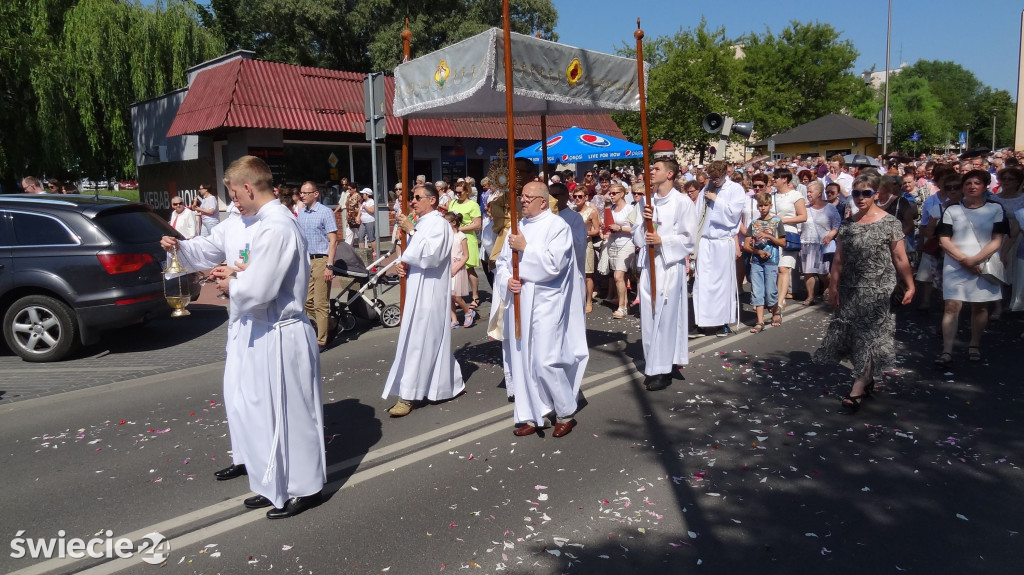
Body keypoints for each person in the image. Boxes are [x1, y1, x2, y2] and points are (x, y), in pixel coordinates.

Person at [160, 155, 326, 519]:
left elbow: (261, 287)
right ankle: (274, 483)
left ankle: (306, 486)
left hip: (281, 330)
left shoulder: (277, 226)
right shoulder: (262, 221)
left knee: (292, 415)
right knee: (264, 412)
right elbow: (253, 274)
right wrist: (227, 273)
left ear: (247, 188)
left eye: (234, 192)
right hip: (263, 328)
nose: (233, 199)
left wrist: (230, 282)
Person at [814, 170, 915, 414]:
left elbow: (900, 257)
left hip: (880, 289)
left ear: (876, 194)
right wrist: (833, 287)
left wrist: (910, 284)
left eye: (866, 193)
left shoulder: (890, 222)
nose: (860, 198)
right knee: (856, 337)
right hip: (851, 288)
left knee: (870, 336)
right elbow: (838, 260)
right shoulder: (848, 225)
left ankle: (858, 386)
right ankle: (867, 378)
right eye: (857, 193)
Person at [493, 182, 583, 437]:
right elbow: (502, 263)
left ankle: (565, 411)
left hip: (546, 301)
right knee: (522, 359)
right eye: (521, 197)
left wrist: (526, 249)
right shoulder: (517, 227)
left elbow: (555, 265)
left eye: (528, 197)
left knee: (544, 359)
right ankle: (532, 414)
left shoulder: (558, 227)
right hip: (520, 298)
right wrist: (506, 280)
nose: (522, 201)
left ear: (543, 202)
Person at [382, 183, 465, 417]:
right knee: (426, 340)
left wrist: (411, 231)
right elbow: (416, 255)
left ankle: (408, 395)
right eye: (412, 197)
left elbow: (431, 256)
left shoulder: (439, 224)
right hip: (417, 287)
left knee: (419, 340)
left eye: (418, 197)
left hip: (430, 291)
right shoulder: (422, 223)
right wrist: (404, 265)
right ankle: (447, 383)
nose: (413, 201)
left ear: (432, 200)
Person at [632, 158, 697, 390]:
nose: (651, 172)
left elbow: (688, 238)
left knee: (666, 315)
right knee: (649, 315)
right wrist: (645, 224)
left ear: (670, 174)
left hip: (669, 264)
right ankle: (653, 362)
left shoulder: (682, 203)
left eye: (656, 168)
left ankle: (663, 368)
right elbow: (637, 236)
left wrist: (662, 240)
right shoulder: (645, 203)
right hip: (650, 265)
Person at [934, 170, 1009, 369]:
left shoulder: (995, 208)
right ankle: (947, 351)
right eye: (968, 183)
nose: (972, 186)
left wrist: (976, 260)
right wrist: (964, 260)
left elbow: (997, 240)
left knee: (980, 306)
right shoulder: (952, 210)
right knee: (951, 307)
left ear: (985, 187)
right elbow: (943, 239)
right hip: (955, 264)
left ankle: (974, 344)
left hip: (982, 263)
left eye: (977, 183)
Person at [691, 160, 746, 337]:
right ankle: (703, 322)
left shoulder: (735, 189)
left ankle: (722, 322)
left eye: (717, 178)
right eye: (711, 178)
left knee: (722, 283)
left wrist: (718, 200)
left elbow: (734, 215)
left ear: (726, 174)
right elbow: (697, 214)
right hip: (706, 242)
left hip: (722, 241)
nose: (714, 181)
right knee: (703, 282)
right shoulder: (707, 188)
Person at [297, 181, 339, 352]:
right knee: (306, 301)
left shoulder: (325, 212)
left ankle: (321, 340)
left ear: (315, 194)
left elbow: (334, 240)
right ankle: (331, 323)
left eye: (306, 193)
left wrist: (330, 265)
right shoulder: (301, 213)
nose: (302, 196)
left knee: (321, 303)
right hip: (307, 260)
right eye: (301, 193)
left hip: (322, 260)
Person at [743, 192, 785, 332]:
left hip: (772, 261)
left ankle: (775, 311)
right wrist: (758, 252)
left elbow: (783, 242)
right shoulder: (754, 223)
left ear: (770, 205)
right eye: (760, 206)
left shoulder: (777, 222)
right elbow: (747, 246)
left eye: (765, 205)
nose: (763, 208)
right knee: (757, 291)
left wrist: (768, 236)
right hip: (756, 262)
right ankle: (760, 321)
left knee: (771, 291)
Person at [769, 168, 807, 310]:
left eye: (776, 177)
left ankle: (780, 301)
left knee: (784, 268)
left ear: (784, 179)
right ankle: (776, 297)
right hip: (771, 235)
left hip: (788, 234)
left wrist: (783, 220)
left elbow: (803, 216)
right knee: (774, 268)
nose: (773, 179)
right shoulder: (771, 195)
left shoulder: (795, 195)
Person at [799, 181, 840, 305]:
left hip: (823, 244)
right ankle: (810, 297)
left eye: (811, 191)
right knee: (807, 272)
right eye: (808, 192)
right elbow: (800, 226)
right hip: (807, 242)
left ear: (819, 193)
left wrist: (830, 235)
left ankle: (828, 287)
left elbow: (837, 225)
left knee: (822, 272)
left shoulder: (830, 208)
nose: (808, 194)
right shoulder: (805, 208)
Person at [602, 183, 635, 318]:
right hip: (613, 243)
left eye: (614, 193)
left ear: (622, 194)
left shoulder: (629, 208)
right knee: (621, 276)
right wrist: (606, 231)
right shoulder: (611, 208)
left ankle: (621, 308)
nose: (611, 195)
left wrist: (620, 228)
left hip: (626, 244)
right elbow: (609, 226)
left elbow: (636, 229)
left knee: (618, 276)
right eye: (610, 193)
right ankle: (625, 302)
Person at [449, 180, 482, 309]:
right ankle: (457, 296)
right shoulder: (452, 202)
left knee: (469, 268)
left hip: (468, 239)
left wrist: (459, 229)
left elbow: (477, 224)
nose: (457, 195)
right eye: (455, 192)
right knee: (456, 266)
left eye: (459, 192)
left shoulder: (473, 205)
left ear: (467, 191)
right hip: (455, 239)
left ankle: (475, 296)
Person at [570, 183, 602, 313]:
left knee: (587, 274)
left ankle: (589, 301)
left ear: (586, 197)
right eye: (575, 196)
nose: (577, 199)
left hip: (586, 244)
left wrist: (584, 233)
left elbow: (596, 230)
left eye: (580, 196)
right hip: (574, 245)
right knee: (575, 273)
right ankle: (578, 299)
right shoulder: (572, 211)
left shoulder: (591, 211)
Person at [445, 211, 474, 328]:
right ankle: (454, 319)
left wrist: (456, 268)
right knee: (449, 295)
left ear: (453, 223)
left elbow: (466, 255)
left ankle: (468, 311)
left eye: (446, 222)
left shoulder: (461, 236)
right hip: (448, 266)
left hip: (457, 265)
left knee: (455, 295)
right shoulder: (446, 236)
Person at [356, 188, 377, 256]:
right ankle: (362, 252)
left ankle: (375, 251)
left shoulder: (371, 201)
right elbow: (360, 210)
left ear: (367, 194)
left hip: (370, 221)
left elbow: (372, 211)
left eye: (363, 194)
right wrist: (358, 217)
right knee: (360, 236)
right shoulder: (364, 202)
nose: (362, 195)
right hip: (363, 221)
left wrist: (365, 207)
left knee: (371, 237)